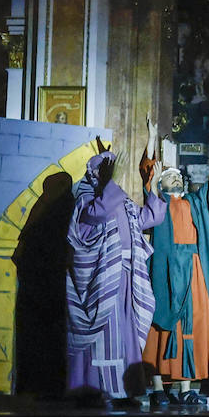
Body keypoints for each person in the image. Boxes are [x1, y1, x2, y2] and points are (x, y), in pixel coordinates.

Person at [65, 137, 163, 401]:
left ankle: (126, 388)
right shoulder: (88, 199)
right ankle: (98, 390)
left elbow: (149, 218)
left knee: (125, 336)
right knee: (107, 337)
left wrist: (153, 188)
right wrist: (110, 182)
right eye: (104, 170)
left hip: (127, 276)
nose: (109, 175)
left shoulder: (121, 201)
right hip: (104, 279)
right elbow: (93, 218)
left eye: (110, 170)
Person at [141, 124, 209, 408]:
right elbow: (149, 172)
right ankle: (157, 387)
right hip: (165, 269)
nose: (176, 178)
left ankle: (185, 387)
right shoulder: (158, 203)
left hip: (193, 271)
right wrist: (153, 138)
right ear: (162, 185)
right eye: (170, 176)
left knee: (192, 327)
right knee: (162, 328)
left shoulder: (194, 201)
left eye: (179, 176)